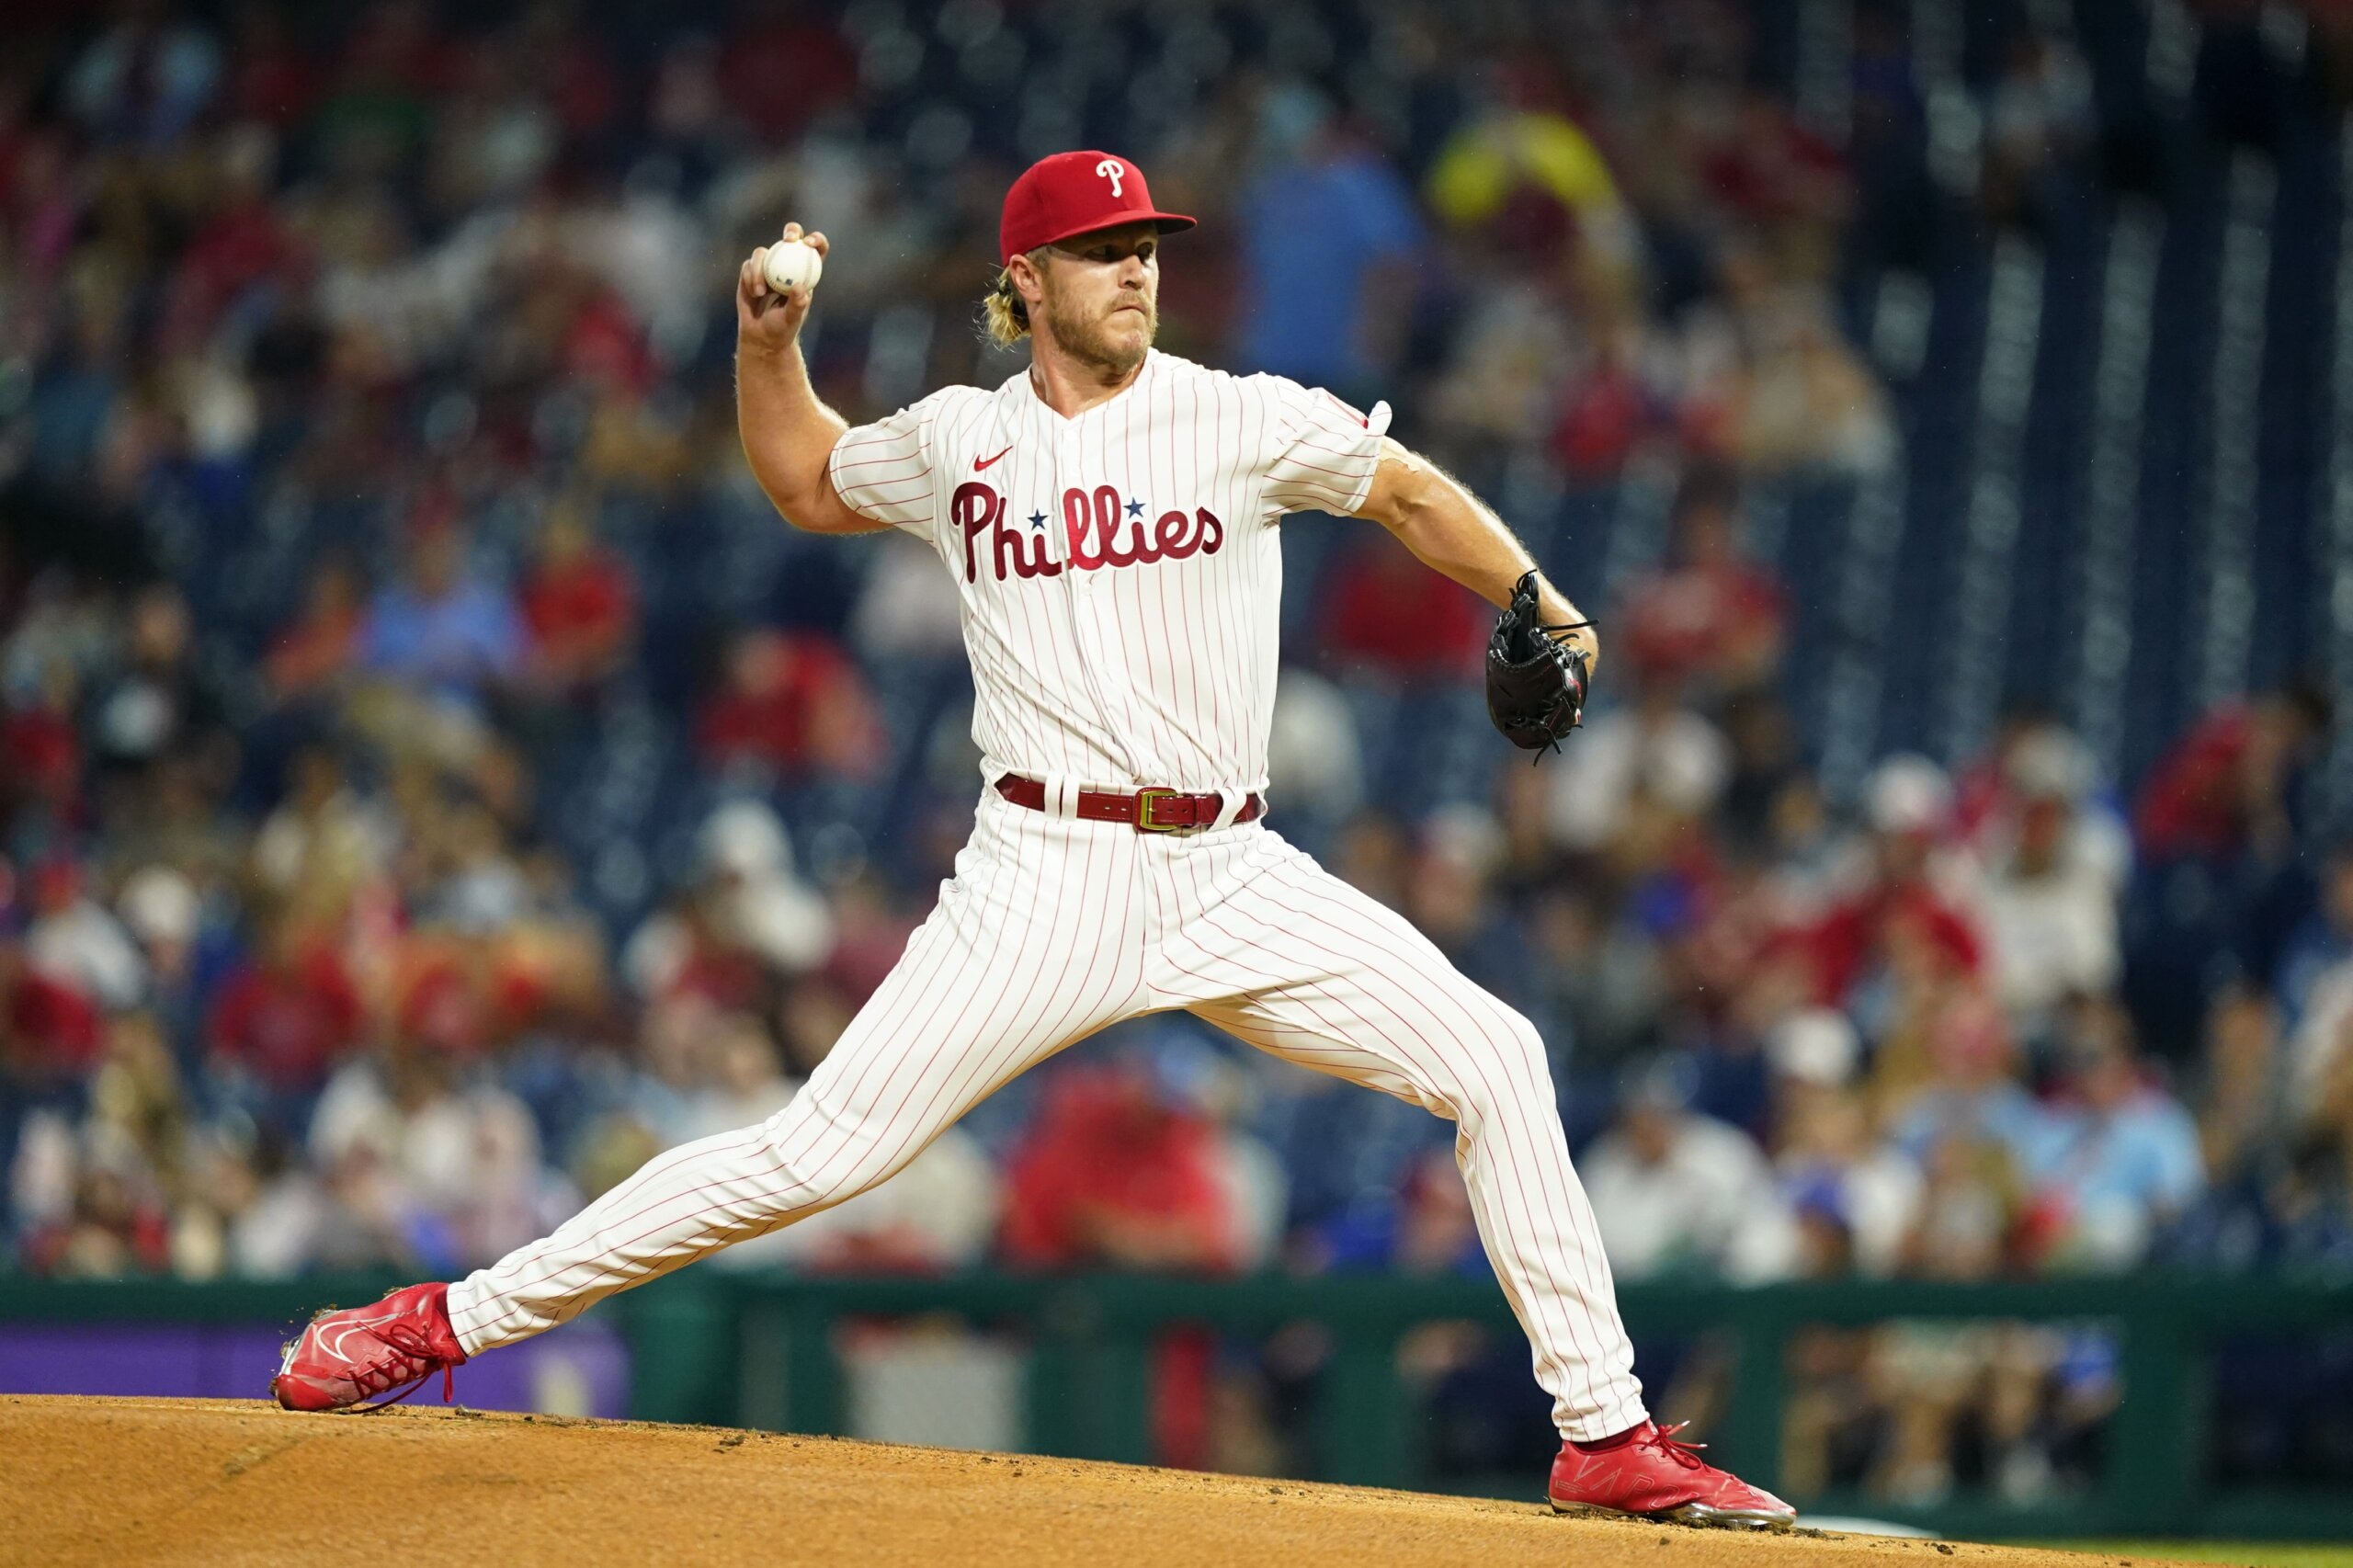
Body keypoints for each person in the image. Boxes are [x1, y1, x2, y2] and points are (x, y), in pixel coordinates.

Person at [270, 149, 1792, 1529]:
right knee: (813, 1154)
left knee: (1499, 1058)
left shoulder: (1242, 415)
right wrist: (764, 342)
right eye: (1103, 247)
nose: (1137, 266)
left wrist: (1543, 598)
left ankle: (1603, 1429)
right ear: (1026, 284)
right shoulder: (955, 443)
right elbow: (802, 477)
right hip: (1041, 873)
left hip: (1230, 870)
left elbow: (1403, 492)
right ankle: (437, 1323)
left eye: (1148, 244)